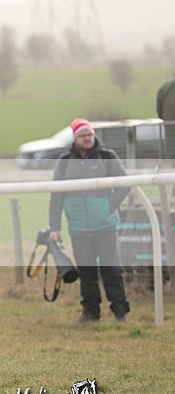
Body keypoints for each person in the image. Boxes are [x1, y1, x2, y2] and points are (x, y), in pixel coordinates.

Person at [48, 118, 131, 322]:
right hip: (78, 227)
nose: (87, 138)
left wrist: (108, 206)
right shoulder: (65, 160)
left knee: (111, 269)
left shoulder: (107, 156)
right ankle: (91, 312)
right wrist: (55, 227)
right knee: (86, 272)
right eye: (82, 135)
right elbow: (56, 195)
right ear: (75, 138)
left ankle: (120, 310)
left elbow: (125, 184)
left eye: (89, 134)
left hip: (105, 225)